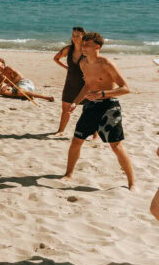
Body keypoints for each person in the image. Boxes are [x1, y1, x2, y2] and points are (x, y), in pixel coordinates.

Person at [61, 32, 134, 189]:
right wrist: (75, 102)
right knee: (76, 141)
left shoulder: (106, 64)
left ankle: (131, 183)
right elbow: (87, 85)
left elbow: (126, 89)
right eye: (83, 44)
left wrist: (101, 94)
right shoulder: (83, 64)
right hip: (91, 106)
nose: (84, 47)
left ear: (97, 47)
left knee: (116, 146)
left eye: (87, 44)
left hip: (109, 105)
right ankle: (68, 174)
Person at [53, 27, 86, 136]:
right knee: (65, 108)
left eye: (77, 35)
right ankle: (61, 131)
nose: (74, 38)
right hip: (70, 82)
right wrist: (66, 67)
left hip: (85, 84)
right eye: (73, 35)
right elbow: (56, 58)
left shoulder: (87, 50)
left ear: (83, 36)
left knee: (90, 110)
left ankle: (95, 135)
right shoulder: (68, 49)